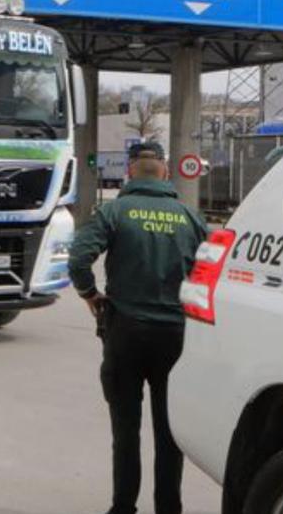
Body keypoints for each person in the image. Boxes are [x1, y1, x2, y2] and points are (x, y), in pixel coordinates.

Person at [68, 141, 208, 514]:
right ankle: (168, 508)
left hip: (124, 334)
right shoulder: (191, 218)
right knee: (168, 433)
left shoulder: (113, 211)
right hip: (176, 336)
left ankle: (123, 507)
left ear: (130, 172)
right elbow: (212, 275)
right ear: (165, 172)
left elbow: (79, 258)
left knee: (125, 431)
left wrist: (90, 295)